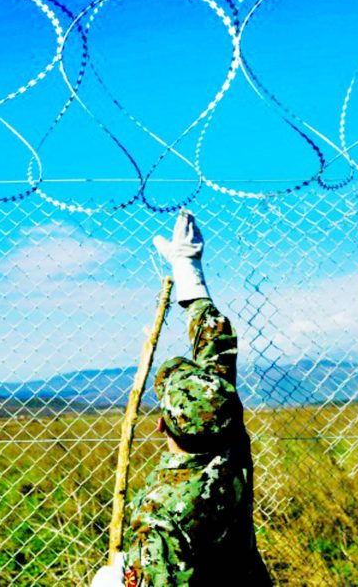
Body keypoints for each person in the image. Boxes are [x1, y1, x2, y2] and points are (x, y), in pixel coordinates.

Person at [92, 209, 273, 586]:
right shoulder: (230, 443)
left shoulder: (160, 514)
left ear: (161, 424)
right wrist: (189, 271)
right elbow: (216, 346)